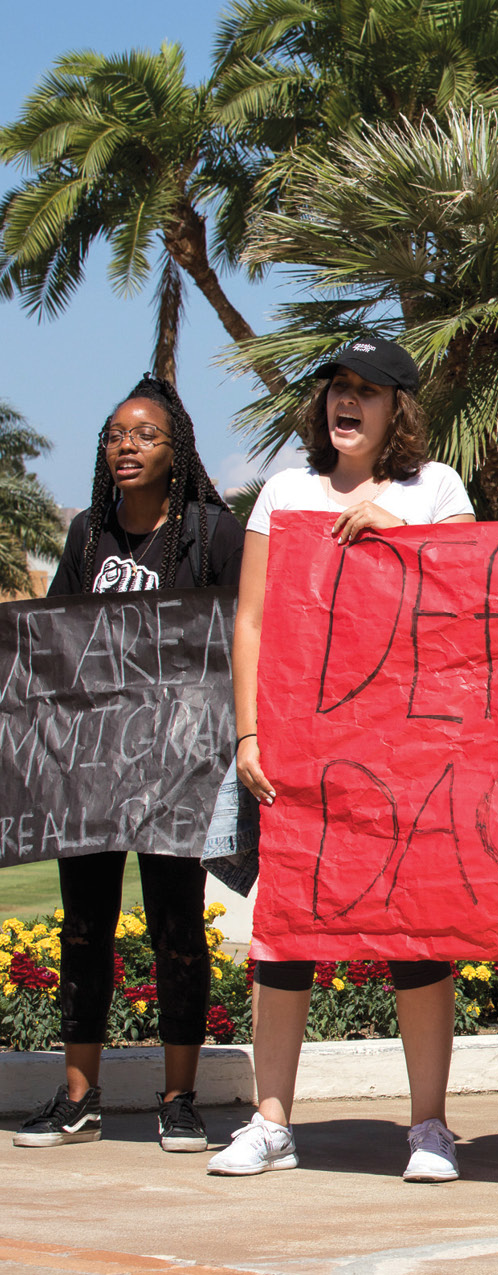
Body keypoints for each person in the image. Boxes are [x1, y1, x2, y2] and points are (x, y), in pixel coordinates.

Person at [208, 334, 475, 1182]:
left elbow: (472, 600)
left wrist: (400, 535)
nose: (345, 401)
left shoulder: (435, 489)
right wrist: (249, 734)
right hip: (300, 748)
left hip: (408, 751)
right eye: (336, 387)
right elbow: (250, 620)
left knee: (417, 936)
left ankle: (429, 1125)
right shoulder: (284, 491)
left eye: (367, 388)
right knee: (284, 936)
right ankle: (271, 1120)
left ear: (398, 405)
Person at [13, 376, 242, 1155]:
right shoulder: (86, 535)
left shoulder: (214, 534)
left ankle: (180, 1100)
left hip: (180, 768)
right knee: (84, 926)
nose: (126, 446)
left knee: (178, 925)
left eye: (144, 434)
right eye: (115, 434)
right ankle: (79, 1096)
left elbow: (244, 634)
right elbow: (54, 646)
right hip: (92, 772)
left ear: (175, 448)